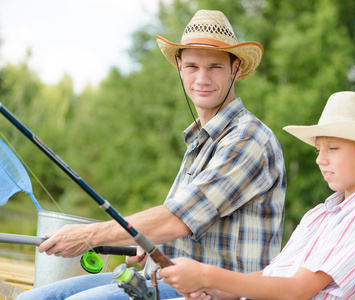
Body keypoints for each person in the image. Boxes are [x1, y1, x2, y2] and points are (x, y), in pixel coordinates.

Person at [17, 10, 286, 300]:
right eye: (193, 66)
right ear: (180, 67)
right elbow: (181, 224)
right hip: (163, 277)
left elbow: (177, 219)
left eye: (215, 67)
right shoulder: (201, 140)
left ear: (235, 69)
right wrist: (147, 243)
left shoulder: (248, 139)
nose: (202, 78)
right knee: (30, 298)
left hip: (214, 293)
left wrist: (88, 236)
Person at [159, 91, 355, 300]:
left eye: (333, 148)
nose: (321, 159)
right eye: (318, 150)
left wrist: (207, 276)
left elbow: (296, 291)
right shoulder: (320, 215)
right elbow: (276, 274)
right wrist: (222, 292)